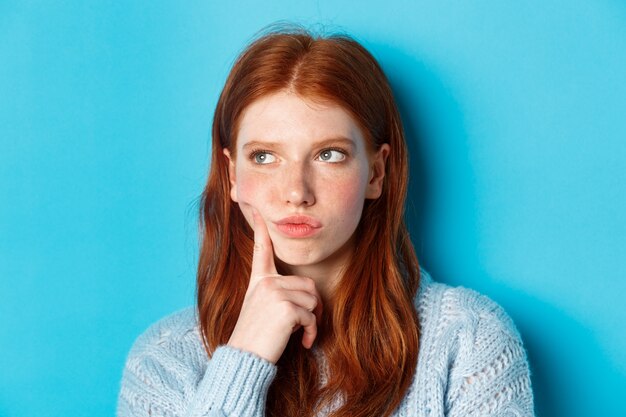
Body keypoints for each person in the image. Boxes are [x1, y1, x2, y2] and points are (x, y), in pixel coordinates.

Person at [117, 26, 535, 417]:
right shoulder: (163, 360)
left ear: (376, 173)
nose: (296, 191)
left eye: (329, 154)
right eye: (264, 157)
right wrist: (243, 360)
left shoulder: (468, 339)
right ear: (232, 176)